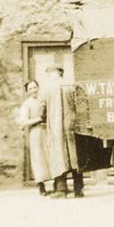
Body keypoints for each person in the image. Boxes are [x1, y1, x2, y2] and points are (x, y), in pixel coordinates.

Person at [40, 66, 84, 198]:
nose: (49, 75)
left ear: (54, 73)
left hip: (55, 127)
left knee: (58, 155)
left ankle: (61, 190)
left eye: (49, 72)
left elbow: (42, 109)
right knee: (74, 156)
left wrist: (43, 119)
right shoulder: (71, 85)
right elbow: (80, 103)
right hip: (72, 125)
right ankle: (78, 189)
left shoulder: (46, 88)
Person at [17, 80, 51, 196]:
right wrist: (38, 119)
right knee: (38, 158)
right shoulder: (26, 105)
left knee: (49, 155)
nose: (34, 90)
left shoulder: (43, 101)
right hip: (35, 132)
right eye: (30, 88)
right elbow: (23, 122)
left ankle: (56, 184)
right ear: (27, 91)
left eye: (35, 87)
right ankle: (41, 187)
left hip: (47, 131)